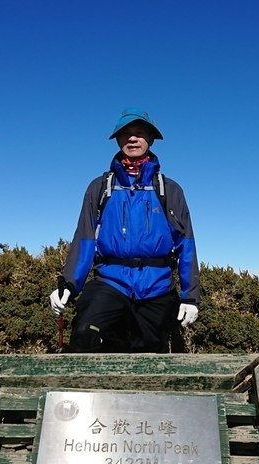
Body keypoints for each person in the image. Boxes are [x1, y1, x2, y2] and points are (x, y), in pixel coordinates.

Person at [48, 108, 199, 352]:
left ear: (150, 139)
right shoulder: (100, 188)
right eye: (126, 133)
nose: (132, 138)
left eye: (140, 133)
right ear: (118, 140)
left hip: (157, 286)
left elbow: (186, 244)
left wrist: (190, 297)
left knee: (153, 356)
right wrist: (69, 285)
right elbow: (85, 238)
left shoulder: (170, 190)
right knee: (85, 335)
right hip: (111, 281)